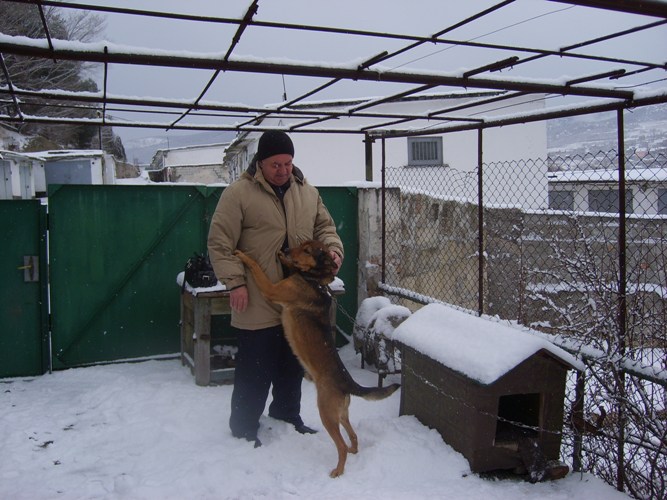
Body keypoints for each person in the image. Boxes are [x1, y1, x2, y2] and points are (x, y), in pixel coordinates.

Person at [207, 130, 344, 447]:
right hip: (257, 294)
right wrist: (235, 282)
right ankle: (243, 428)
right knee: (255, 368)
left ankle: (286, 414)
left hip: (298, 299)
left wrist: (334, 250)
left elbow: (326, 228)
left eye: (288, 163)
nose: (283, 170)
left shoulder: (307, 192)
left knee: (291, 364)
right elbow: (220, 242)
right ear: (260, 163)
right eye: (275, 164)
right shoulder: (238, 194)